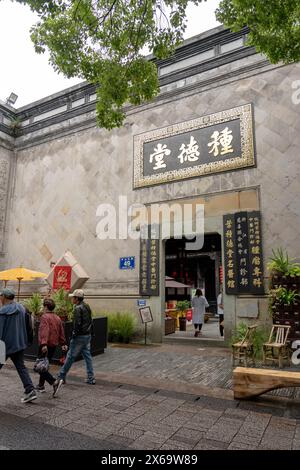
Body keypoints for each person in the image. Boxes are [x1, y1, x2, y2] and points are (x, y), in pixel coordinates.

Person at [53, 289, 96, 397]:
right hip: (87, 335)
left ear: (76, 298)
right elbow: (90, 320)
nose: (72, 299)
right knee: (87, 356)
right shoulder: (86, 306)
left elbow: (77, 324)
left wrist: (73, 335)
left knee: (70, 356)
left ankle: (61, 376)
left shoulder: (77, 308)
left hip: (80, 336)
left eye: (73, 297)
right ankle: (91, 378)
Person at [0, 288, 37, 403]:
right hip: (19, 343)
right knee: (21, 367)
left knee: (20, 367)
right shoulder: (21, 308)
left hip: (5, 346)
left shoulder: (3, 312)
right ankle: (30, 390)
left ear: (4, 297)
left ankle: (30, 390)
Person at [36, 298, 68, 393]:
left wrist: (44, 344)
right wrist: (63, 343)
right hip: (53, 345)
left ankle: (54, 382)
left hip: (45, 345)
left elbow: (44, 331)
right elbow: (61, 331)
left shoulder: (45, 317)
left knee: (38, 366)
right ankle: (41, 385)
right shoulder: (57, 317)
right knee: (44, 365)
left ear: (46, 307)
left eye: (43, 306)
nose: (43, 307)